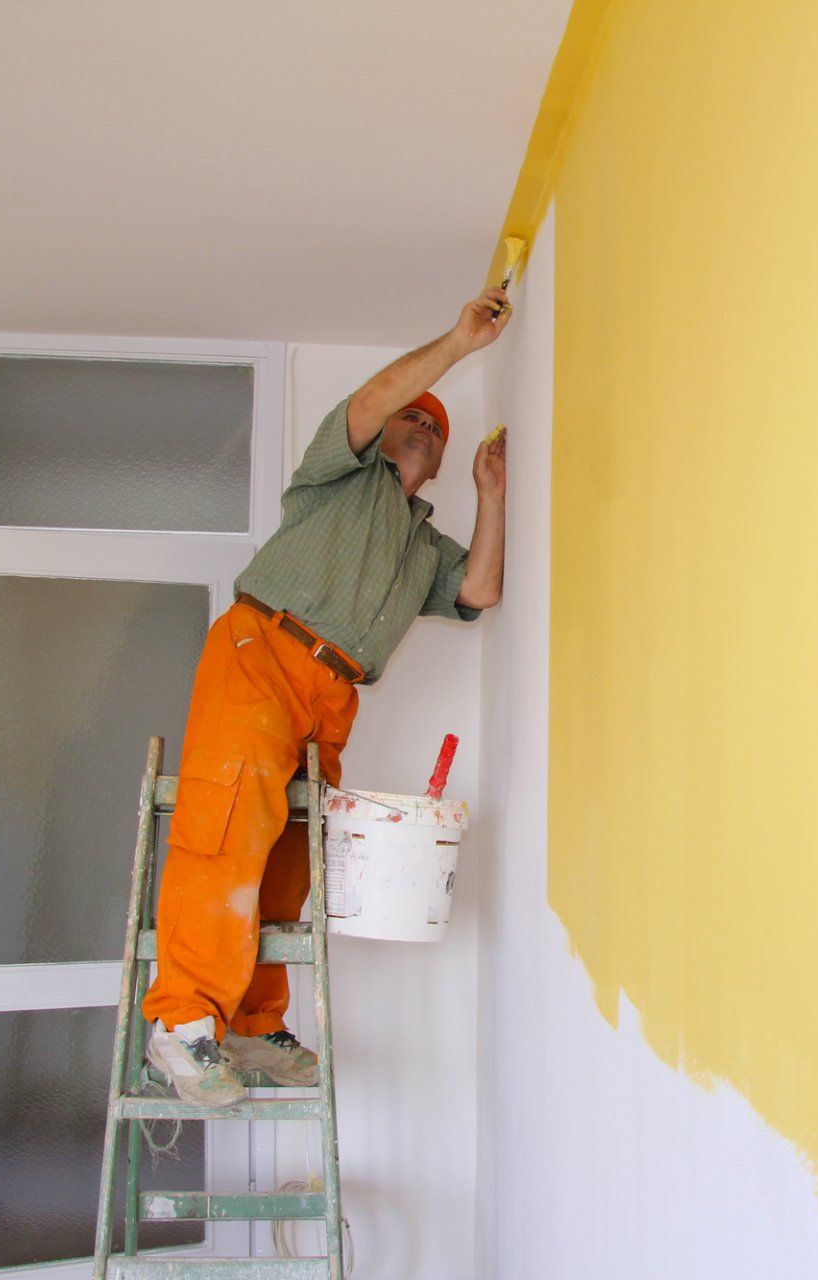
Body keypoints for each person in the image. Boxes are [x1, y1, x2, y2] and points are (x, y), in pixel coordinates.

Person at [142, 286, 512, 1104]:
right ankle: (181, 1024)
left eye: (436, 427)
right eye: (412, 416)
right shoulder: (335, 478)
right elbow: (374, 397)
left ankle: (248, 1021)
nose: (423, 423)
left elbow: (480, 591)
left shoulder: (424, 546)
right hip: (263, 649)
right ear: (381, 435)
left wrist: (492, 494)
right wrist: (456, 344)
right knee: (231, 827)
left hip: (332, 694)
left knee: (286, 860)